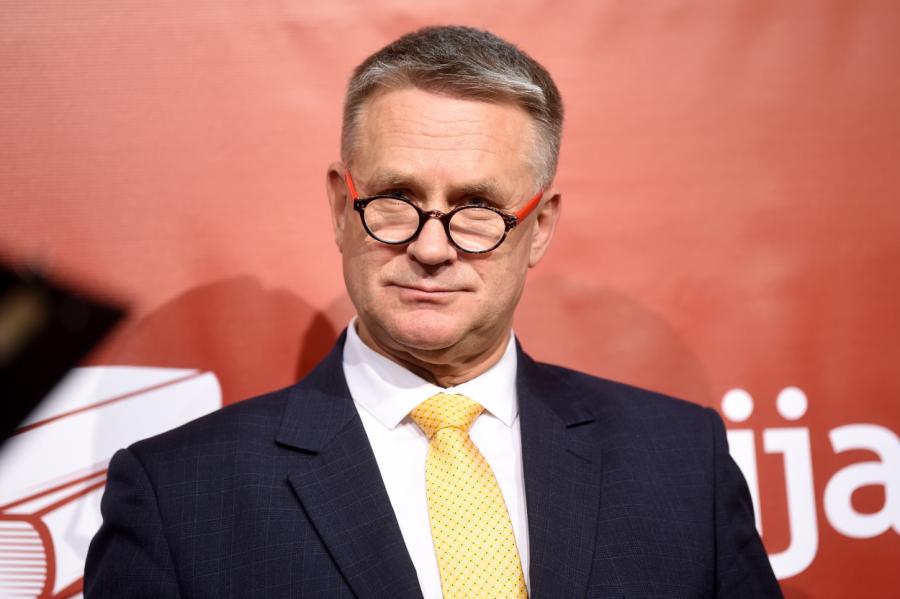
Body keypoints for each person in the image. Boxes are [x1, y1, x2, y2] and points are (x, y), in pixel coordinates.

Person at [84, 25, 782, 598]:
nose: (430, 248)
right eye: (396, 199)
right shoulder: (180, 494)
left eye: (477, 208)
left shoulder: (681, 461)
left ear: (540, 227)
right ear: (341, 206)